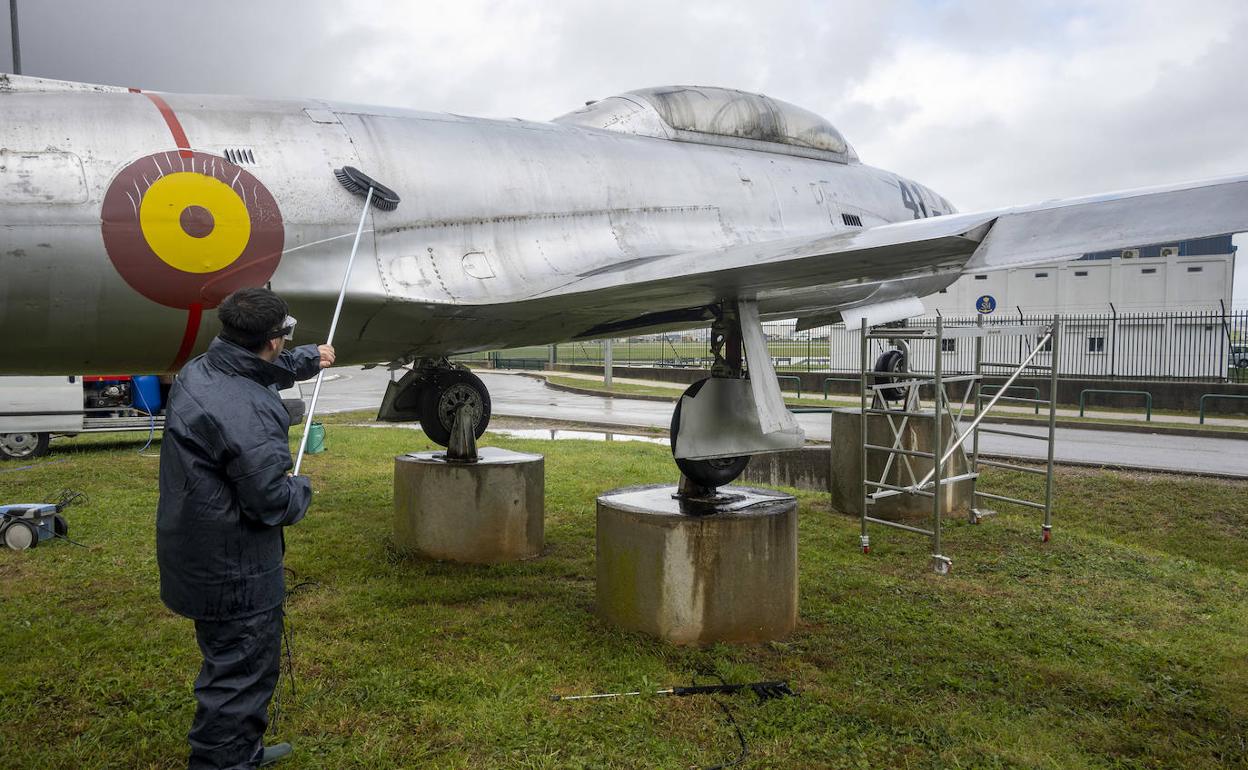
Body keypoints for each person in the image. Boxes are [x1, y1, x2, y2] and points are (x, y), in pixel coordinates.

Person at [156, 287, 334, 769]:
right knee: (239, 677)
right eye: (285, 338)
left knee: (232, 667)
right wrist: (303, 488)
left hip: (200, 552)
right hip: (233, 572)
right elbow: (273, 501)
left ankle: (243, 750)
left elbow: (252, 368)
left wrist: (305, 360)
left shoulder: (204, 369)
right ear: (273, 338)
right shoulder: (247, 412)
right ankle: (226, 761)